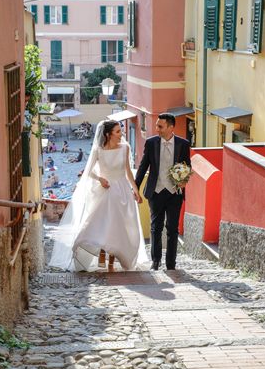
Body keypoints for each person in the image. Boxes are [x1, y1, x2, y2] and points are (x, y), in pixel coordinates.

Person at [49, 120, 149, 271]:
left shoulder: (125, 148)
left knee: (119, 227)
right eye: (117, 131)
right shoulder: (98, 150)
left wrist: (135, 190)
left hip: (122, 191)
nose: (120, 133)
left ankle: (111, 262)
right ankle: (102, 253)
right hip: (105, 190)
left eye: (120, 130)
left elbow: (128, 172)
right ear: (108, 134)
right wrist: (100, 179)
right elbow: (88, 171)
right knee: (102, 225)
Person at [135, 113, 191, 271]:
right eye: (157, 126)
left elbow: (187, 165)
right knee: (156, 227)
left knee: (172, 229)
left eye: (160, 126)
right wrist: (136, 188)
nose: (157, 129)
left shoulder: (183, 144)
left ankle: (171, 264)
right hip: (156, 191)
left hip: (175, 192)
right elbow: (143, 166)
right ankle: (155, 261)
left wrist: (183, 180)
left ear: (171, 127)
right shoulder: (151, 143)